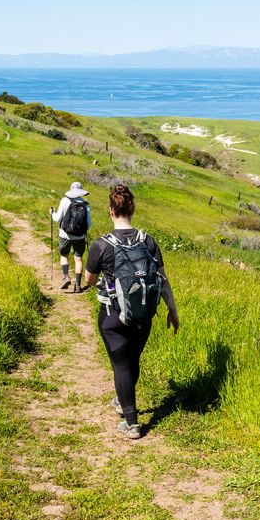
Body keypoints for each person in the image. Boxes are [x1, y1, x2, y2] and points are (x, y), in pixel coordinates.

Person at [84, 184, 180, 439]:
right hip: (145, 314)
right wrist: (172, 309)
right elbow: (162, 278)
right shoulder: (148, 241)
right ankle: (122, 399)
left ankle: (132, 422)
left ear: (111, 211)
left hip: (113, 315)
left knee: (121, 365)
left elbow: (90, 280)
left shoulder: (101, 245)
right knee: (132, 360)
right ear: (132, 209)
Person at [50, 181, 92, 292]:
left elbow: (57, 218)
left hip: (65, 235)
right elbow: (89, 225)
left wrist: (52, 213)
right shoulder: (86, 205)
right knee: (78, 259)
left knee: (64, 255)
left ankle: (66, 276)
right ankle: (78, 286)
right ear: (81, 191)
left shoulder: (65, 200)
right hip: (80, 237)